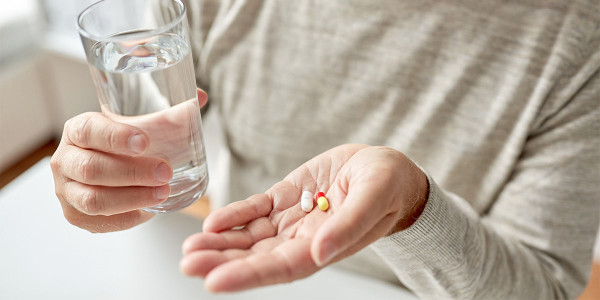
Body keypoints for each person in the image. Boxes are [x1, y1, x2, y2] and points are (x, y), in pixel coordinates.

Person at [50, 0, 599, 298]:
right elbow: (158, 138)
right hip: (236, 274)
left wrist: (413, 210)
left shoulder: (580, 38)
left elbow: (544, 290)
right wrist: (110, 176)